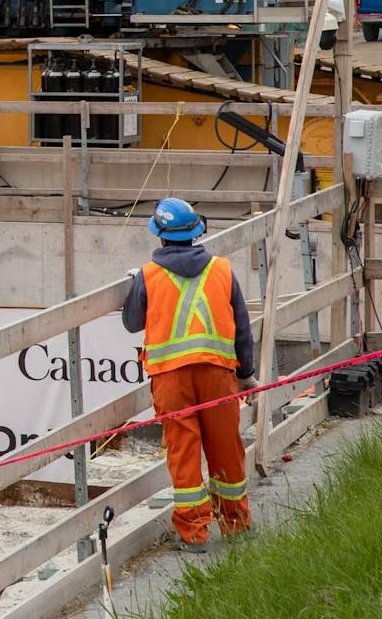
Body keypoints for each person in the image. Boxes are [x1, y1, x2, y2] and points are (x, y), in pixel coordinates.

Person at [122, 198, 257, 552]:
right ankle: (236, 523)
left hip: (171, 379)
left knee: (183, 451)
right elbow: (242, 327)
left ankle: (194, 532)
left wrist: (135, 286)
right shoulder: (222, 270)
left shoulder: (148, 275)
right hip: (218, 374)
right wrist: (246, 373)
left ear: (160, 234)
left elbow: (132, 323)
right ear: (197, 232)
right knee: (226, 448)